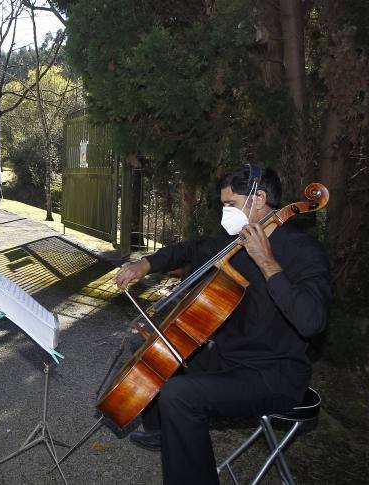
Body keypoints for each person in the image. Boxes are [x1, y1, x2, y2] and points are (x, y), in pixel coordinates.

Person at [113, 165, 331, 485]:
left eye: (230, 204)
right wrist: (145, 264)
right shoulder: (234, 244)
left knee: (179, 394)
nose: (225, 212)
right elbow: (188, 249)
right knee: (150, 347)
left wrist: (267, 262)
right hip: (229, 359)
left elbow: (313, 322)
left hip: (273, 375)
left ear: (259, 199)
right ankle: (164, 431)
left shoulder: (305, 252)